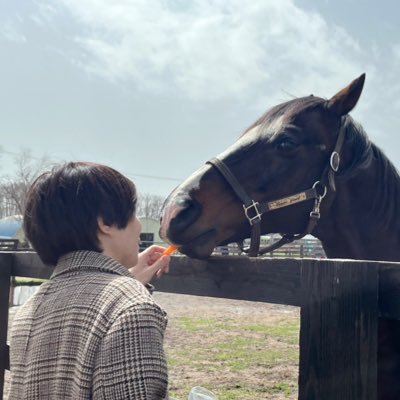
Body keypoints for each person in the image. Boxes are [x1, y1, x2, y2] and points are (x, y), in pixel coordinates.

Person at [8, 161, 172, 400]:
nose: (139, 226)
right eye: (134, 213)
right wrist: (127, 291)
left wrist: (127, 282)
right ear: (105, 222)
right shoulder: (133, 309)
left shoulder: (29, 310)